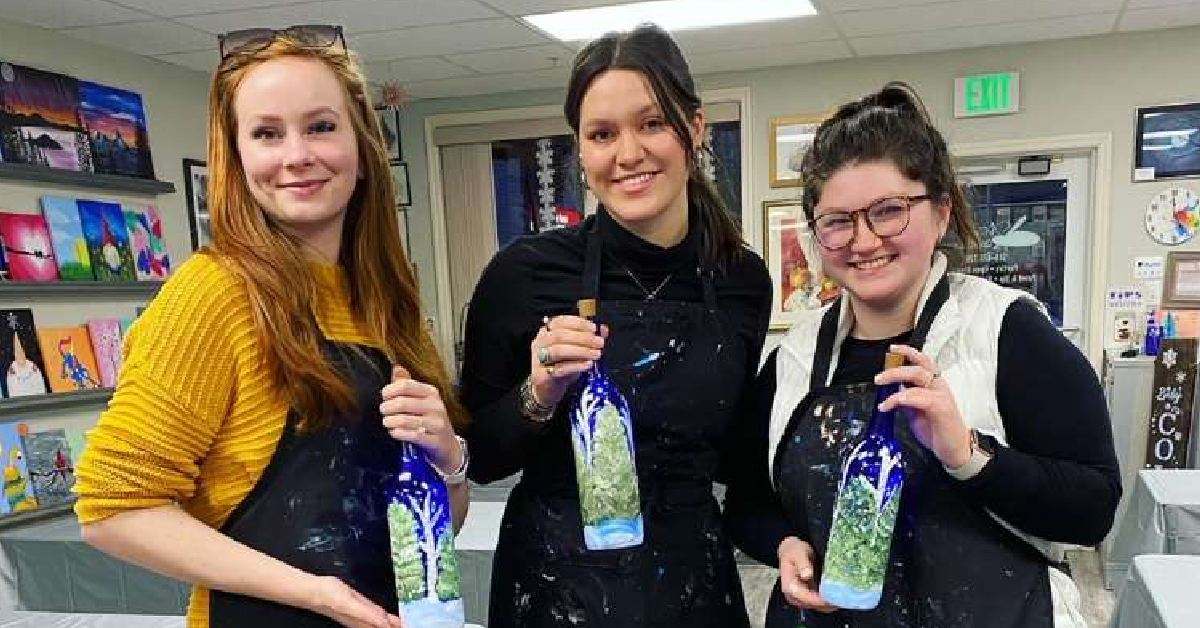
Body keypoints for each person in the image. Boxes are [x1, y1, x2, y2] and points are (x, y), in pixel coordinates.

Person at [74, 26, 468, 628]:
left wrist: (448, 461)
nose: (297, 156)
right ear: (237, 159)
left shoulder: (389, 302)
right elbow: (113, 510)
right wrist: (315, 593)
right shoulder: (215, 295)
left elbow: (439, 521)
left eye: (320, 127)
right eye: (266, 133)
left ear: (362, 148)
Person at [724, 82, 1121, 628]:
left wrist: (967, 453)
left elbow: (1092, 510)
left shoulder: (1006, 330)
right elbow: (746, 500)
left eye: (889, 211)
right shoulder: (794, 357)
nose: (862, 241)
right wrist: (783, 543)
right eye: (838, 221)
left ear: (941, 211)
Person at [461, 24, 771, 628]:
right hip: (554, 591)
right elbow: (478, 456)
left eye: (651, 124)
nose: (629, 153)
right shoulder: (524, 275)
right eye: (602, 134)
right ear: (581, 150)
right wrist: (539, 393)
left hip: (692, 589)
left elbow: (738, 460)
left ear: (696, 129)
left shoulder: (741, 282)